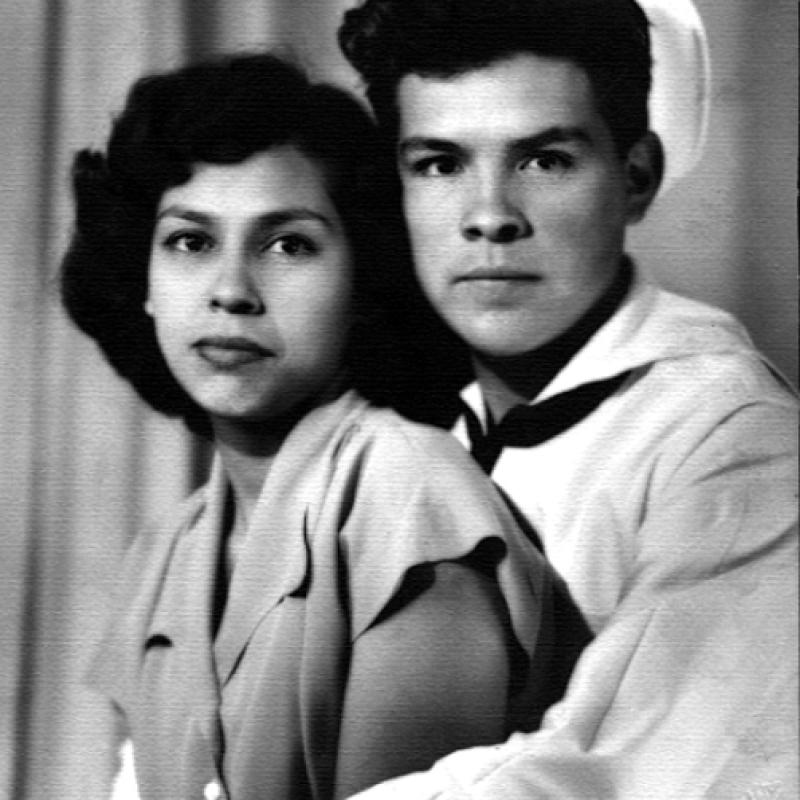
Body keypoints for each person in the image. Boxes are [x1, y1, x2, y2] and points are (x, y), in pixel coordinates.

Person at [61, 53, 589, 800]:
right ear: (139, 282)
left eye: (289, 245)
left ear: (366, 281)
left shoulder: (409, 492)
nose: (232, 292)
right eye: (190, 241)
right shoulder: (166, 552)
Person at [338, 0, 799, 797]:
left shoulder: (732, 439)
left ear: (636, 177)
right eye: (440, 164)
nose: (489, 218)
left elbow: (627, 773)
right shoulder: (428, 435)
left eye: (544, 160)